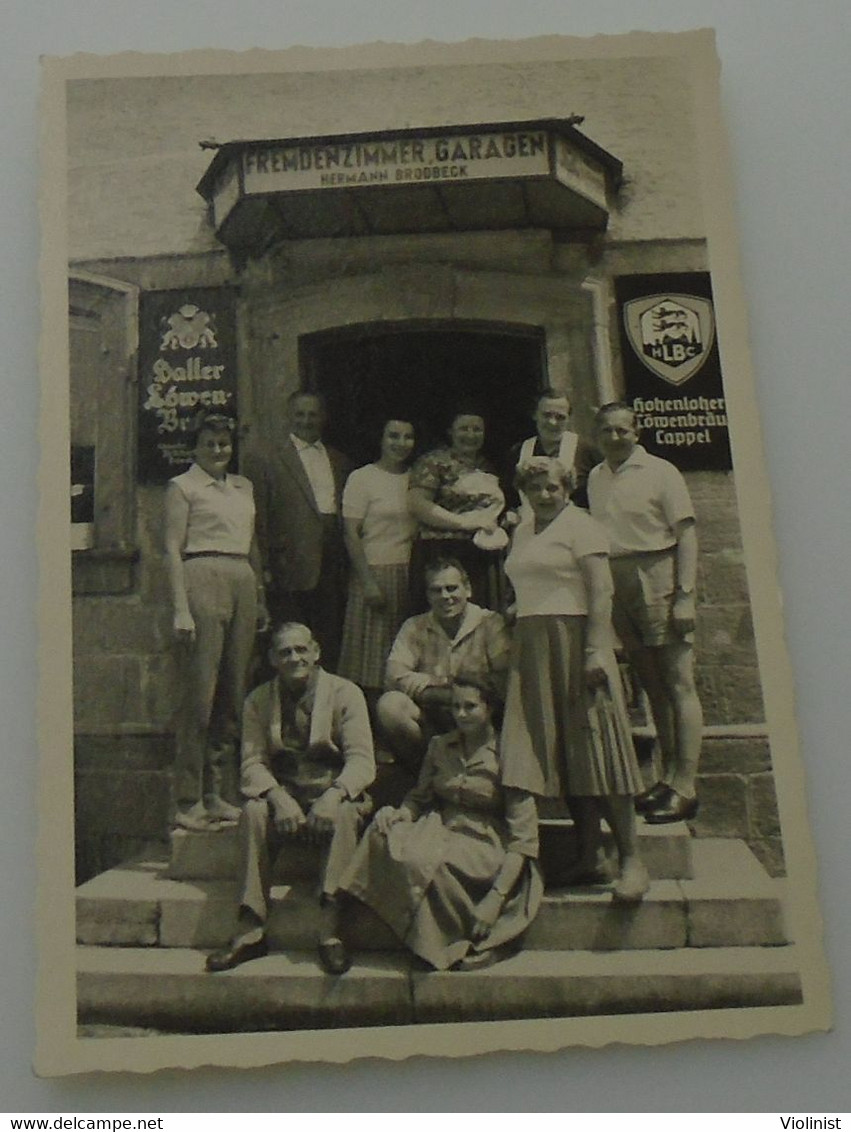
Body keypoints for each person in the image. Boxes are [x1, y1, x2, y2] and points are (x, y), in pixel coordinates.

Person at [500, 457, 649, 901]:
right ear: (524, 492)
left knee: (601, 746)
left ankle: (631, 860)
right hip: (533, 644)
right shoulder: (523, 529)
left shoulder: (581, 526)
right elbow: (524, 583)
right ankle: (590, 856)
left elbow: (601, 589)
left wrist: (594, 650)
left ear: (567, 489)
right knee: (564, 749)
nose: (545, 495)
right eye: (536, 488)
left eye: (553, 487)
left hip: (578, 640)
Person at [205, 623, 375, 976]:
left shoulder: (346, 693)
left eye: (301, 650)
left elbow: (362, 760)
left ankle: (329, 929)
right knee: (252, 811)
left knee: (345, 813)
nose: (294, 658)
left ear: (316, 652)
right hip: (289, 800)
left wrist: (334, 795)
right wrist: (277, 797)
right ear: (272, 659)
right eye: (285, 652)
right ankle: (251, 930)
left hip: (333, 794)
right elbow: (252, 763)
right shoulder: (258, 701)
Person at [340, 675, 543, 971]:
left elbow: (524, 839)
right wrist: (401, 814)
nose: (461, 714)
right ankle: (341, 920)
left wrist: (496, 899)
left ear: (489, 709)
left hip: (485, 838)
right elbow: (418, 798)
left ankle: (451, 942)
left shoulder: (508, 754)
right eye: (455, 707)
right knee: (382, 833)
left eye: (470, 707)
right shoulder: (439, 746)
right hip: (440, 824)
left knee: (434, 864)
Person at [588, 402, 703, 824]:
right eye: (607, 431)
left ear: (636, 433)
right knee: (652, 685)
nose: (615, 438)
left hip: (658, 572)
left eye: (622, 430)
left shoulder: (661, 472)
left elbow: (687, 534)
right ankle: (667, 778)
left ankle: (686, 785)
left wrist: (685, 595)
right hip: (618, 578)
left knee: (678, 682)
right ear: (597, 434)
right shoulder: (597, 477)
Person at [163, 411, 268, 833]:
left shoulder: (244, 487)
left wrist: (259, 598)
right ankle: (187, 800)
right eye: (209, 443)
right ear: (195, 447)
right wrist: (181, 607)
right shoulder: (183, 487)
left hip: (241, 577)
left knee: (233, 693)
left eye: (224, 443)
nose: (218, 450)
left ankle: (217, 794)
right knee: (200, 696)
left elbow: (253, 545)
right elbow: (171, 549)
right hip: (201, 575)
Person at [248, 391, 352, 672]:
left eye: (313, 414)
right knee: (289, 643)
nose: (307, 421)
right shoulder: (268, 459)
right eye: (300, 414)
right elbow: (259, 519)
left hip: (332, 563)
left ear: (324, 417)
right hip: (290, 566)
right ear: (289, 416)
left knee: (328, 641)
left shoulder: (339, 460)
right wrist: (265, 568)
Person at [377, 558, 511, 775]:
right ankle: (425, 774)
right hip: (434, 721)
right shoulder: (414, 626)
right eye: (436, 590)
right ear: (428, 595)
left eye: (451, 588)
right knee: (390, 706)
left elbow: (503, 679)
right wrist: (441, 687)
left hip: (479, 719)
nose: (445, 597)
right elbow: (393, 677)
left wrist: (437, 684)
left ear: (467, 589)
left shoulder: (489, 623)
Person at [337, 418, 417, 706]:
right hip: (374, 573)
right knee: (370, 660)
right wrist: (368, 582)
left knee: (403, 659)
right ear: (381, 439)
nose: (400, 443)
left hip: (411, 573)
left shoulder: (417, 478)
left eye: (408, 437)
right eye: (393, 436)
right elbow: (350, 533)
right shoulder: (362, 478)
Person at [407, 405, 506, 610]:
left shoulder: (487, 465)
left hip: (483, 553)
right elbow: (418, 504)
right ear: (450, 431)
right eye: (464, 429)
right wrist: (464, 522)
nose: (470, 435)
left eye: (477, 429)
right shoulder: (433, 462)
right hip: (442, 551)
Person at [504, 387, 600, 516]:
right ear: (535, 415)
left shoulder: (586, 451)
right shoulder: (518, 452)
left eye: (560, 417)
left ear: (569, 418)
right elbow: (510, 499)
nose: (552, 422)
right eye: (546, 415)